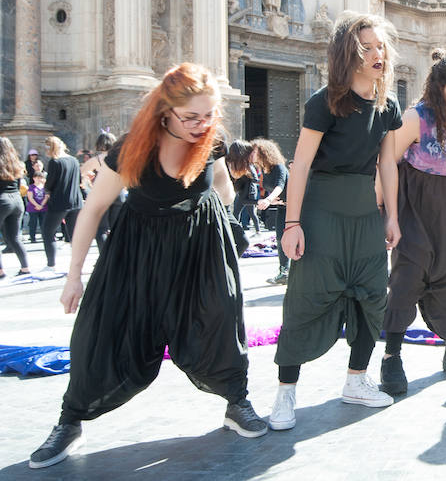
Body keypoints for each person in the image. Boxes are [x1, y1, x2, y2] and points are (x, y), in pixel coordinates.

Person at [28, 63, 267, 470]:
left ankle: (236, 403)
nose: (202, 124)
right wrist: (73, 277)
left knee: (218, 321)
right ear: (165, 111)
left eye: (209, 115)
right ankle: (70, 422)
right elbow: (93, 210)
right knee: (105, 331)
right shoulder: (133, 146)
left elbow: (223, 184)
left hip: (199, 246)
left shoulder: (213, 139)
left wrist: (224, 222)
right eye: (191, 116)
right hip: (139, 246)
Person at [269, 13, 402, 431]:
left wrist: (392, 216)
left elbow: (388, 166)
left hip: (365, 215)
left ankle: (357, 381)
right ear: (350, 53)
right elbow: (301, 164)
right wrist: (292, 224)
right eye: (368, 47)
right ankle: (286, 392)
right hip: (321, 212)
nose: (377, 53)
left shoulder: (389, 105)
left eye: (381, 46)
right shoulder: (323, 102)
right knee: (306, 298)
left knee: (370, 297)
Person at [379, 49, 446, 395]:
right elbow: (385, 166)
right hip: (416, 204)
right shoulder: (416, 117)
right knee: (408, 275)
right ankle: (392, 356)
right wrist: (388, 217)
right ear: (439, 87)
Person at [41, 136, 83, 274]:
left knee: (48, 231)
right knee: (74, 235)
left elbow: (50, 183)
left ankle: (51, 264)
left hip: (60, 202)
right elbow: (79, 180)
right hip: (75, 201)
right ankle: (78, 265)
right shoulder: (74, 160)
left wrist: (46, 188)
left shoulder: (55, 162)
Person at [80, 131, 126, 254]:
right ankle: (118, 255)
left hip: (103, 193)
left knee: (101, 228)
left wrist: (86, 182)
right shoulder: (122, 157)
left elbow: (80, 173)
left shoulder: (97, 160)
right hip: (119, 193)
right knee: (117, 227)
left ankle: (104, 257)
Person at [252, 138, 290, 283]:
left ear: (264, 152)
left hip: (296, 207)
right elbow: (272, 191)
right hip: (282, 207)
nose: (253, 154)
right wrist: (271, 200)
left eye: (255, 152)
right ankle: (284, 272)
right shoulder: (264, 171)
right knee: (280, 238)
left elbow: (279, 186)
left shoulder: (279, 167)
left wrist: (269, 200)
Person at [0, 137, 31, 279]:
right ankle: (25, 268)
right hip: (17, 200)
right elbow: (19, 185)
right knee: (15, 237)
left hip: (2, 200)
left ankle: (1, 271)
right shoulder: (16, 163)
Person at [226, 140, 262, 235]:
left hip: (244, 194)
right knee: (236, 213)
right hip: (229, 198)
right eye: (251, 153)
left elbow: (254, 179)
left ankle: (257, 231)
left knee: (249, 213)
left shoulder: (247, 168)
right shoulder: (226, 164)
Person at [27, 170, 49, 244]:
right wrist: (37, 205)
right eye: (37, 178)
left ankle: (44, 237)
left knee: (43, 223)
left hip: (43, 208)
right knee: (33, 223)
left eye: (40, 178)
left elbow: (46, 197)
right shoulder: (31, 187)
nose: (39, 179)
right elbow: (30, 197)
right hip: (33, 208)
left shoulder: (44, 187)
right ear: (34, 178)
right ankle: (32, 237)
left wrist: (41, 205)